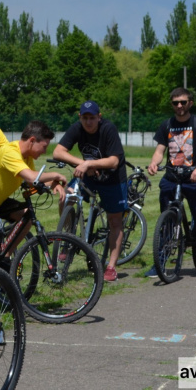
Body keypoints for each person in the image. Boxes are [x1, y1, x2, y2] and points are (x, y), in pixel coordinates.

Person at [146, 88, 196, 280]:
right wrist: (154, 162)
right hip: (172, 179)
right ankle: (160, 261)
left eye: (183, 102)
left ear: (190, 103)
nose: (179, 106)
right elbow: (160, 150)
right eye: (175, 103)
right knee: (167, 222)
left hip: (195, 180)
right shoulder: (167, 125)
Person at [0, 120, 66, 270]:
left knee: (27, 216)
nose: (44, 152)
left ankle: (5, 257)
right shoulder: (11, 152)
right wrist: (55, 175)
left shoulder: (26, 157)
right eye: (44, 147)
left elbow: (32, 181)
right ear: (32, 141)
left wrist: (55, 184)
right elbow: (30, 177)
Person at [52, 101, 127, 282]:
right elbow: (58, 152)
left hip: (113, 179)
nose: (88, 122)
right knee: (67, 196)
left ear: (99, 117)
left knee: (115, 221)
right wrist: (82, 163)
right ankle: (68, 238)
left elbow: (114, 161)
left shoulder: (108, 129)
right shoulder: (77, 128)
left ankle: (111, 266)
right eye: (84, 118)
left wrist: (89, 163)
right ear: (80, 118)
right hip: (88, 176)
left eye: (92, 118)